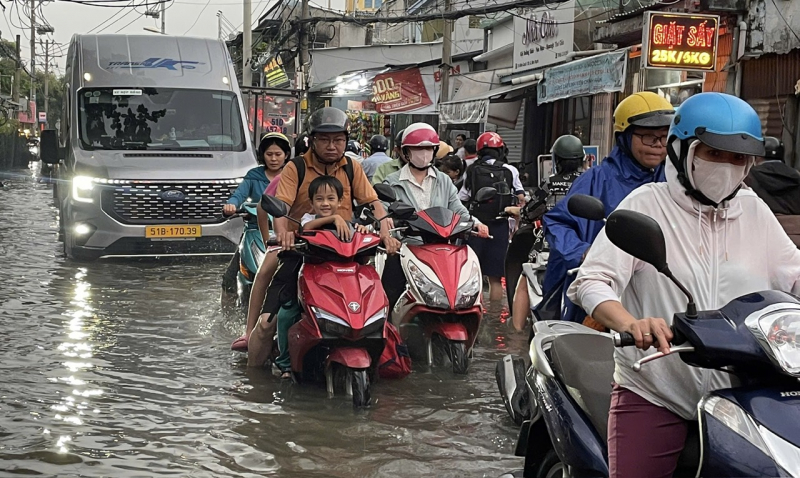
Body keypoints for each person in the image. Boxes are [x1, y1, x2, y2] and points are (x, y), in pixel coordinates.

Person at [568, 92, 800, 478]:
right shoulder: (646, 204)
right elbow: (593, 280)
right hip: (658, 389)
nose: (726, 166)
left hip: (744, 390)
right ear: (682, 152)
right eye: (714, 153)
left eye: (738, 158)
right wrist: (631, 323)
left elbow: (793, 274)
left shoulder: (754, 210)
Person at [248, 107, 400, 368]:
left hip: (347, 252)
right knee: (266, 320)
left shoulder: (352, 167)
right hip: (301, 247)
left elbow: (373, 202)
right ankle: (249, 356)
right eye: (325, 139)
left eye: (338, 140)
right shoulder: (296, 167)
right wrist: (283, 235)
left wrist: (386, 234)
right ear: (312, 140)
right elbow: (281, 207)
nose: (332, 146)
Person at [540, 92, 675, 323]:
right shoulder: (597, 179)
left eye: (664, 138)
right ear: (624, 137)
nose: (658, 146)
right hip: (605, 290)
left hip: (662, 290)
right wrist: (582, 252)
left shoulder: (675, 181)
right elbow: (557, 221)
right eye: (648, 137)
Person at [381, 123, 489, 310]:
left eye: (428, 148)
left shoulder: (444, 180)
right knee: (390, 295)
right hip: (406, 250)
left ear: (434, 151)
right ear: (406, 152)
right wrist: (388, 229)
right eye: (417, 149)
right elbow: (384, 212)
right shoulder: (392, 182)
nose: (423, 153)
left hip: (442, 250)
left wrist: (476, 223)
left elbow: (457, 208)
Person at [273, 175, 372, 378]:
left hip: (340, 280)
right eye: (319, 199)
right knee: (286, 314)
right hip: (311, 277)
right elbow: (306, 229)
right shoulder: (308, 220)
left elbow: (360, 242)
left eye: (330, 198)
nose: (325, 203)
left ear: (340, 201)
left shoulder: (348, 225)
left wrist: (362, 230)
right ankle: (285, 362)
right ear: (311, 203)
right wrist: (333, 219)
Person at [222, 132, 290, 316]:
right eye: (269, 154)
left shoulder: (291, 176)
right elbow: (239, 195)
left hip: (286, 233)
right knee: (229, 277)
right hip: (253, 231)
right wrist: (231, 205)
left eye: (278, 154)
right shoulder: (254, 175)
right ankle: (226, 316)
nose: (274, 159)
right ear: (262, 155)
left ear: (286, 155)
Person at [459, 132, 525, 303]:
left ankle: (477, 310)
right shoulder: (510, 170)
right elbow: (521, 198)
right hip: (500, 225)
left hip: (476, 226)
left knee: (474, 275)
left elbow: (462, 198)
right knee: (495, 278)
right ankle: (495, 313)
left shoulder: (472, 169)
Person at [744, 136, 800, 247]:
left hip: (763, 238)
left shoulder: (748, 177)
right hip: (796, 239)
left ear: (758, 156)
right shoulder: (797, 176)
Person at [542, 134, 585, 209]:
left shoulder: (550, 182)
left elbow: (530, 209)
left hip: (555, 216)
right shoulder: (588, 181)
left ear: (557, 160)